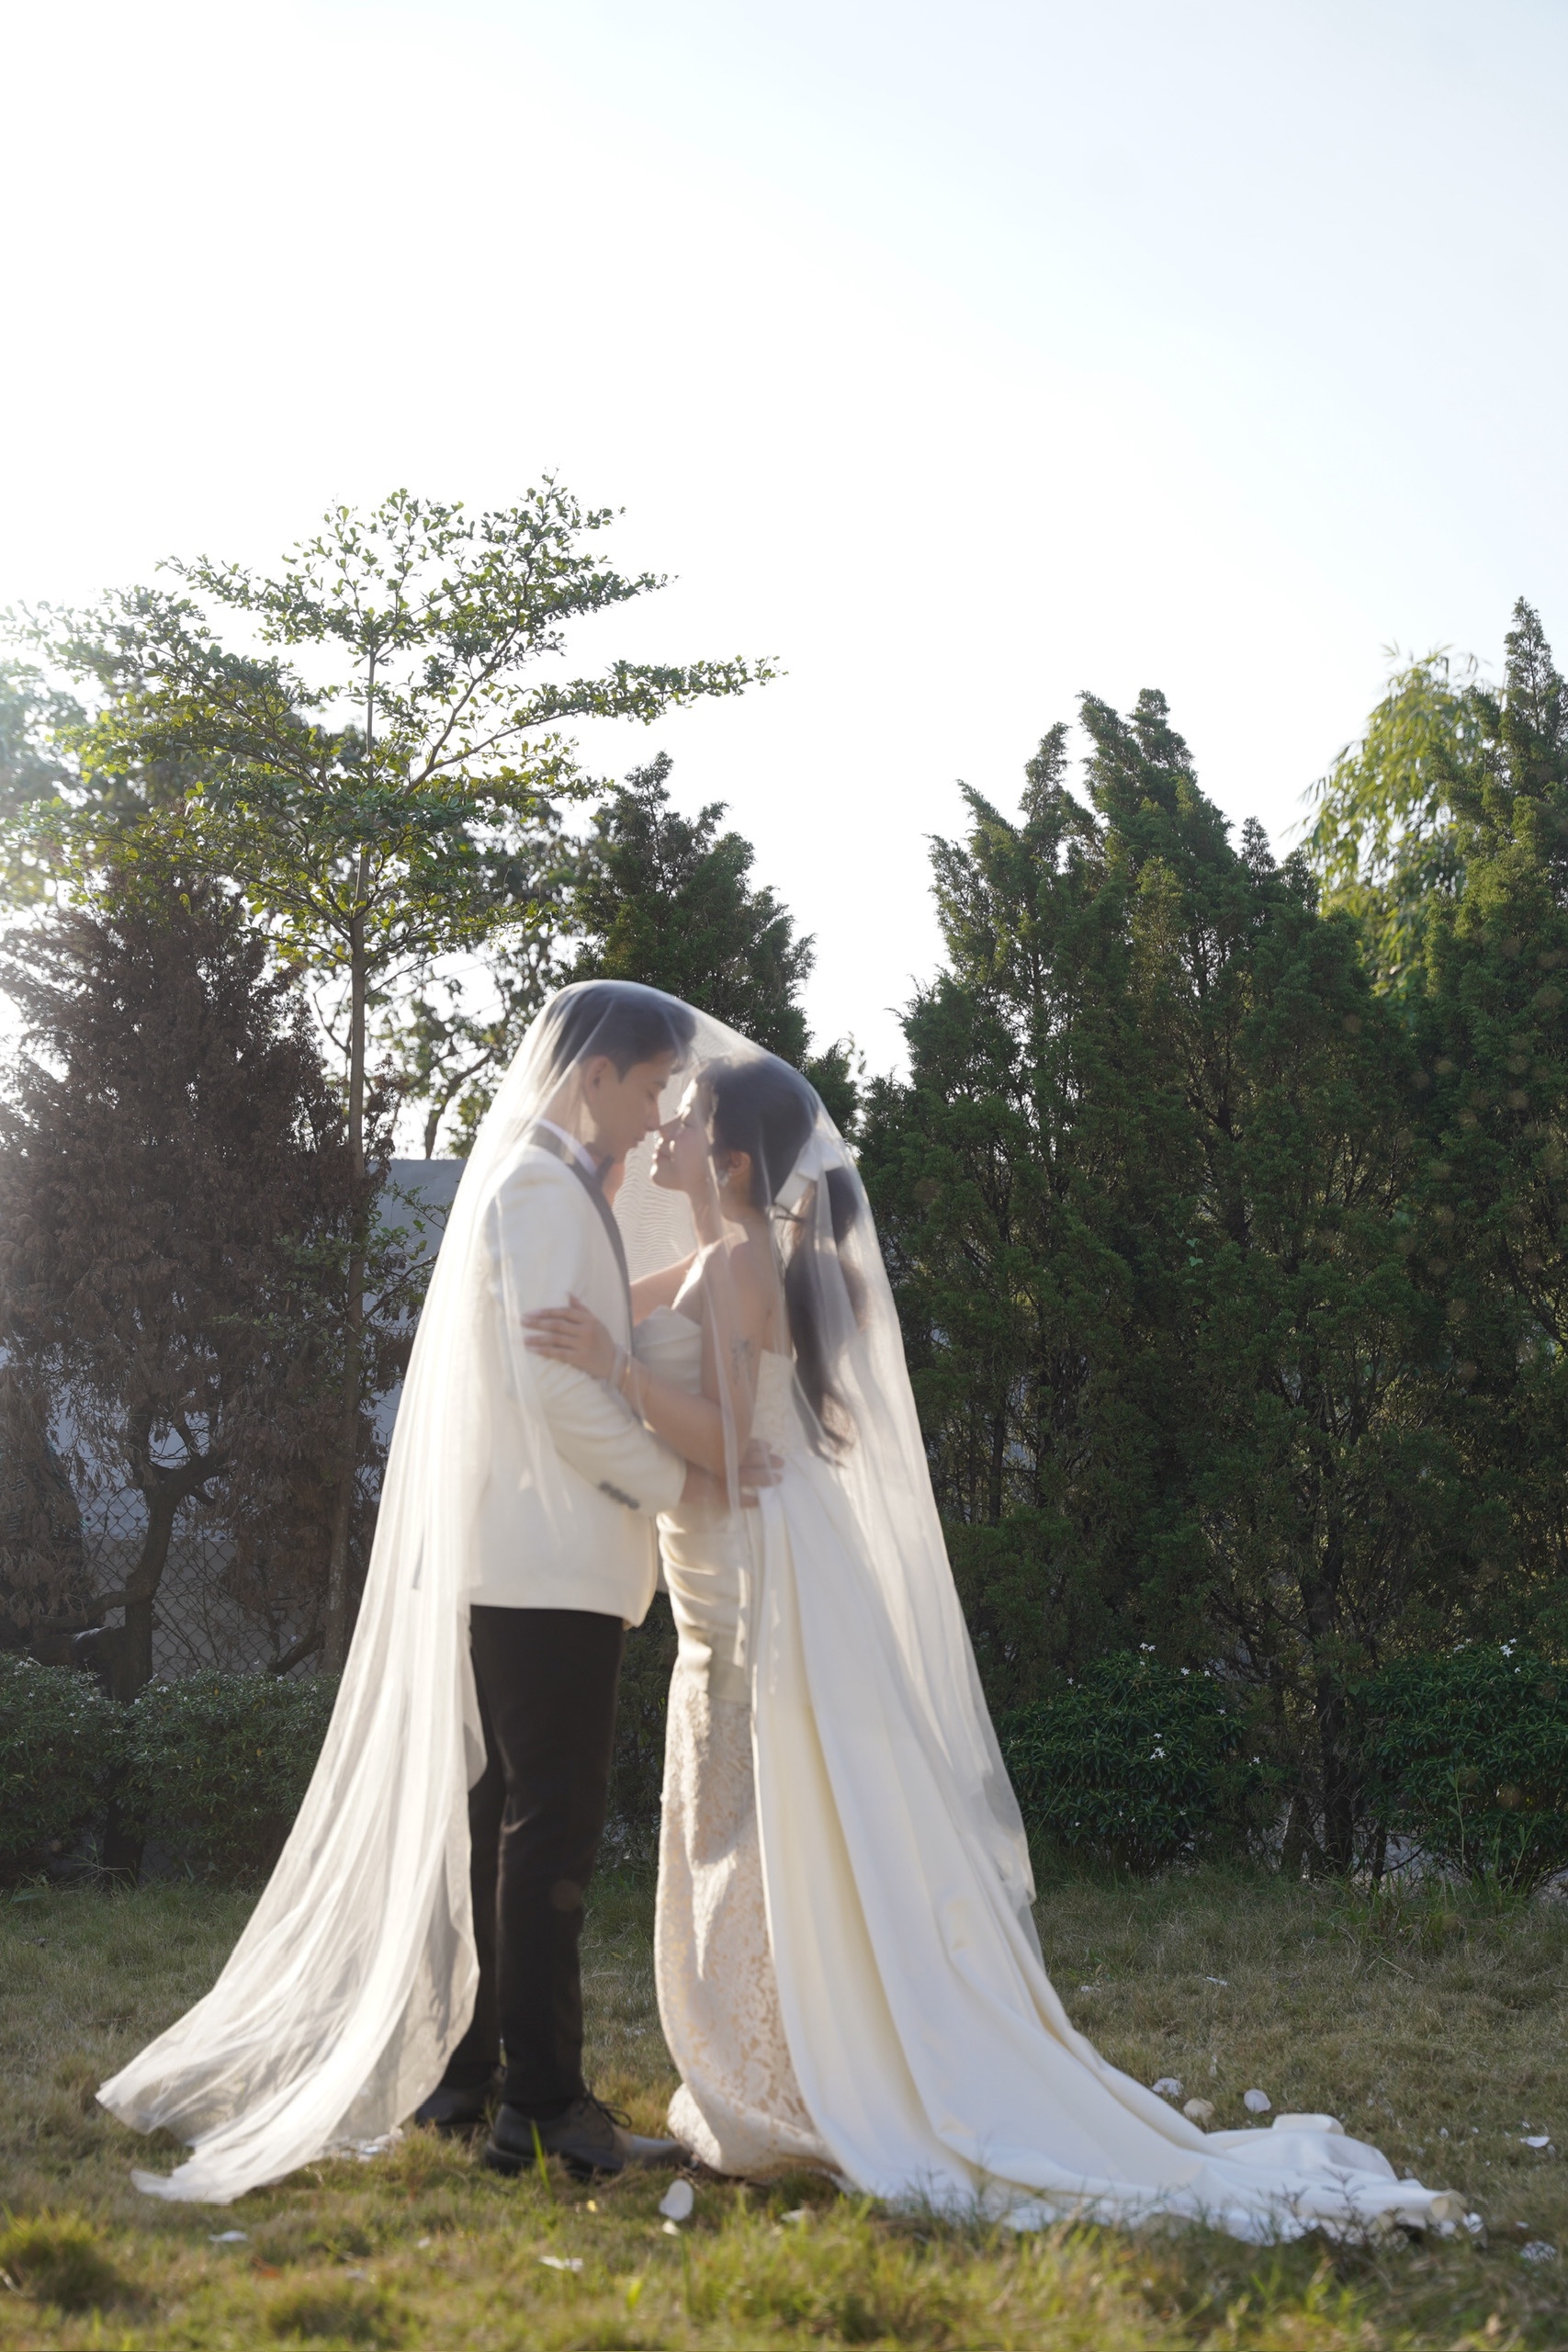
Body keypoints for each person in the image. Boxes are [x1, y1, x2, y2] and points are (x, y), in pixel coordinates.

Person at [525, 1022, 1470, 2244]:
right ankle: (782, 2060)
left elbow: (722, 1441)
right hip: (732, 1565)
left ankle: (791, 2075)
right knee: (756, 1812)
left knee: (762, 1812)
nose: (671, 1129)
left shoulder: (743, 1263)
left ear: (738, 1162)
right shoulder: (726, 1256)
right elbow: (653, 1337)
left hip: (754, 1575)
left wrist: (611, 1367)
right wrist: (586, 1240)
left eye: (692, 1119)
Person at [99, 982, 709, 2200]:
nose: (656, 1116)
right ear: (595, 1073)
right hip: (548, 1564)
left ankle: (466, 2078)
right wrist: (678, 1482)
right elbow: (561, 1393)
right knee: (548, 1831)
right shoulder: (542, 1192)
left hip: (521, 1561)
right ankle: (542, 2109)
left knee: (497, 1824)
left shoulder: (544, 1187)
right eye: (651, 1089)